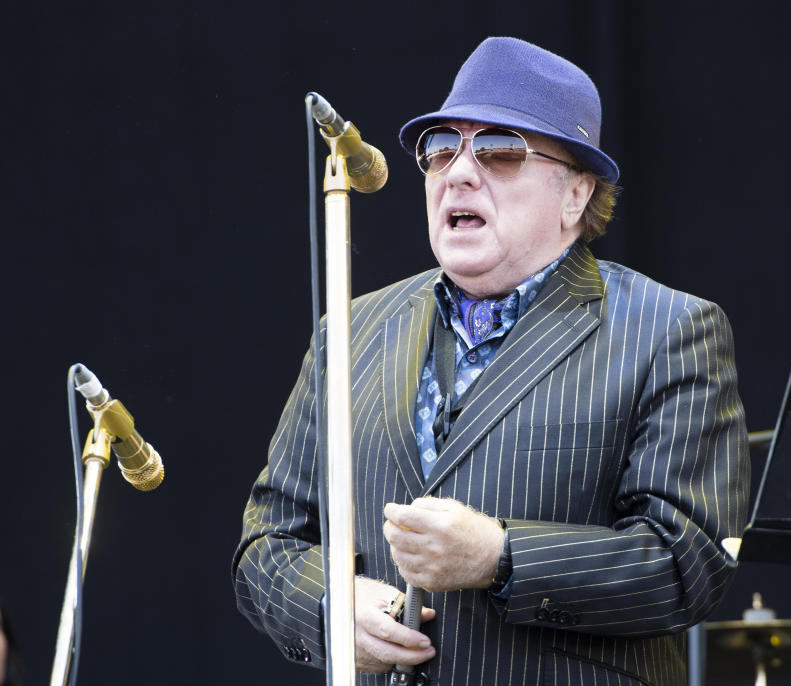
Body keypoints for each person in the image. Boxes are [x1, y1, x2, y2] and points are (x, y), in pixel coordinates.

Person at [233, 36, 749, 685]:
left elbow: (687, 565)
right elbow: (267, 543)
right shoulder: (351, 329)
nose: (459, 172)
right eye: (441, 148)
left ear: (576, 194)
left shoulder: (667, 329)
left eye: (500, 150)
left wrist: (502, 557)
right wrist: (329, 603)